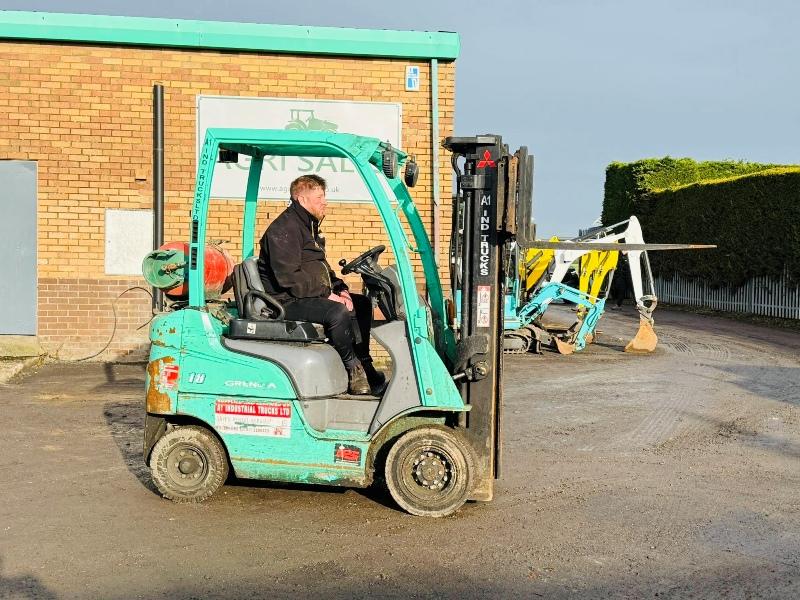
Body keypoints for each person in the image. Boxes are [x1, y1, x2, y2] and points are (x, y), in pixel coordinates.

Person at [257, 174, 386, 396]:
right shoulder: (284, 229)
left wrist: (340, 288)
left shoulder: (307, 227)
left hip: (307, 294)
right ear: (301, 199)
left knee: (362, 304)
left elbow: (321, 267)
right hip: (286, 300)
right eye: (319, 198)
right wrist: (328, 295)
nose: (324, 202)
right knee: (336, 312)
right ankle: (352, 369)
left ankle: (365, 363)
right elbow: (289, 278)